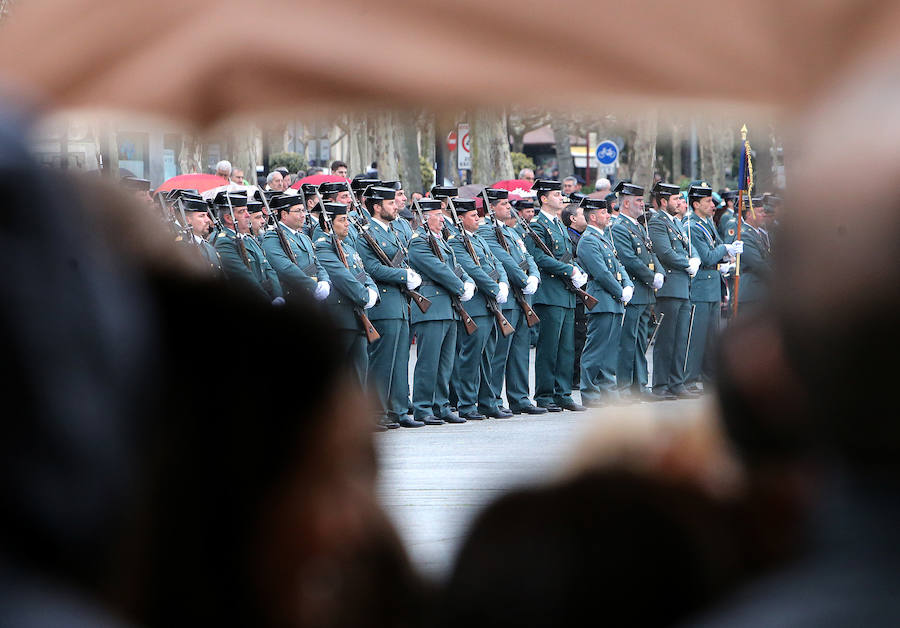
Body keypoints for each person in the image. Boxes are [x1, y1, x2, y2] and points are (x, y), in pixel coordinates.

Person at [355, 186, 424, 429]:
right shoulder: (366, 233)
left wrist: (408, 274)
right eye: (391, 203)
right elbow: (371, 267)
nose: (396, 206)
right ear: (377, 206)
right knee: (383, 360)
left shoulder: (392, 231)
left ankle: (398, 408)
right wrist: (403, 276)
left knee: (400, 359)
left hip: (401, 303)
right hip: (385, 304)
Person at [407, 199, 474, 425]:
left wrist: (468, 281)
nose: (442, 218)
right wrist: (459, 285)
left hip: (448, 307)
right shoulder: (419, 242)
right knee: (429, 361)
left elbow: (455, 267)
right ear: (425, 218)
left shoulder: (441, 241)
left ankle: (441, 405)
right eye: (437, 214)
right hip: (432, 307)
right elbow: (437, 270)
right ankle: (423, 407)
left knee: (445, 362)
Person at [479, 188, 544, 415]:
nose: (508, 207)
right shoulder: (487, 231)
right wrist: (523, 279)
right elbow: (503, 259)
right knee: (500, 353)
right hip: (508, 298)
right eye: (503, 204)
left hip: (522, 298)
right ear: (492, 208)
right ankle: (494, 399)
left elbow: (527, 257)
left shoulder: (513, 232)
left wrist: (533, 276)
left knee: (520, 352)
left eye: (508, 203)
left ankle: (520, 398)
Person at [525, 180, 588, 412]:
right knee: (549, 347)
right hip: (549, 293)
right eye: (556, 194)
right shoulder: (537, 225)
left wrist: (576, 270)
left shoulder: (559, 225)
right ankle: (544, 395)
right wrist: (568, 270)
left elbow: (568, 255)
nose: (561, 197)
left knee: (566, 347)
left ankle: (563, 393)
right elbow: (539, 258)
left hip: (566, 293)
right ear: (543, 199)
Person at [448, 198, 511, 420]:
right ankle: (466, 404)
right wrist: (494, 288)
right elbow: (472, 269)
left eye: (477, 215)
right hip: (476, 305)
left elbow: (497, 263)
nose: (478, 218)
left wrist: (503, 282)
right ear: (460, 218)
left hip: (490, 304)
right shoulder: (457, 241)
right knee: (471, 357)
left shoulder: (479, 239)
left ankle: (487, 401)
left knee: (488, 356)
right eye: (473, 216)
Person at [314, 202, 378, 390]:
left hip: (357, 318)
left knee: (359, 374)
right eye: (342, 220)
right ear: (328, 225)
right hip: (339, 320)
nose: (347, 223)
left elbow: (363, 274)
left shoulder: (348, 248)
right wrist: (365, 296)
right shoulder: (323, 248)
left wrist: (372, 291)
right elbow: (343, 278)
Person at [613, 183, 667, 401]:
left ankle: (640, 385)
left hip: (645, 292)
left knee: (640, 342)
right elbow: (628, 259)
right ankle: (625, 387)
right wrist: (650, 276)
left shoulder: (638, 226)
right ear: (626, 202)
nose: (641, 205)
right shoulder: (619, 227)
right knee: (627, 342)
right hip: (634, 291)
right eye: (637, 201)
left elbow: (651, 253)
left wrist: (660, 272)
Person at [685, 184, 742, 392]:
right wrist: (724, 249)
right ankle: (689, 379)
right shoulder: (691, 225)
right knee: (697, 338)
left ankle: (709, 379)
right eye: (708, 201)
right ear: (696, 204)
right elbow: (707, 256)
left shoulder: (707, 222)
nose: (713, 205)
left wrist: (727, 257)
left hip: (712, 286)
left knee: (711, 338)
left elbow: (716, 250)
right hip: (700, 287)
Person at [577, 198, 633, 407]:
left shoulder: (603, 238)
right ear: (593, 216)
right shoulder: (588, 240)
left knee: (610, 350)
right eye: (604, 212)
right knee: (596, 349)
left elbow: (618, 265)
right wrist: (620, 291)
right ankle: (590, 393)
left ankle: (608, 391)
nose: (609, 215)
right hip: (602, 300)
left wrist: (627, 285)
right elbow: (601, 273)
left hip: (613, 301)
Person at [648, 183, 700, 400]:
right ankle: (661, 384)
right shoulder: (658, 222)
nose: (680, 202)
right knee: (666, 339)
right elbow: (665, 252)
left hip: (683, 288)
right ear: (663, 202)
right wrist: (687, 263)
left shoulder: (677, 223)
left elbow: (689, 245)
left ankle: (676, 382)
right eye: (676, 199)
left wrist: (695, 258)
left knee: (681, 339)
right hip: (669, 287)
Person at [212, 191, 283, 304]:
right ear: (228, 218)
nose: (248, 215)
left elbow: (269, 270)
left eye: (246, 210)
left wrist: (278, 296)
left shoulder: (248, 239)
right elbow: (245, 278)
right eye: (242, 211)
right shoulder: (225, 243)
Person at [261, 194, 330, 304]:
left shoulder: (303, 237)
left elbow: (316, 263)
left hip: (312, 299)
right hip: (294, 299)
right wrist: (313, 286)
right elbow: (285, 268)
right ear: (284, 214)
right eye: (298, 211)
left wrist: (325, 281)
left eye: (303, 210)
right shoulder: (273, 237)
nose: (303, 215)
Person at [178, 196, 223, 275]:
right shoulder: (182, 246)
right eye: (201, 216)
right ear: (188, 220)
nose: (207, 220)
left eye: (206, 215)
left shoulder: (209, 247)